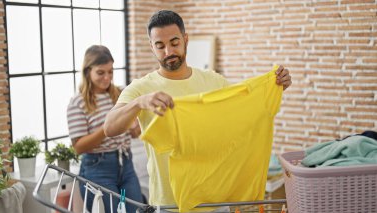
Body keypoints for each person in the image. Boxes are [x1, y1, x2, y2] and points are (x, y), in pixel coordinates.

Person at [103, 10, 292, 211]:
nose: (168, 51)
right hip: (169, 204)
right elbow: (109, 127)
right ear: (152, 47)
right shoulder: (141, 88)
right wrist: (139, 103)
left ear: (185, 39)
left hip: (216, 201)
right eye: (160, 46)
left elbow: (244, 110)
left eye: (174, 43)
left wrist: (275, 86)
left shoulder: (213, 81)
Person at [67, 45, 143, 213]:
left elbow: (136, 134)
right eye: (101, 72)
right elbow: (79, 147)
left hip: (126, 164)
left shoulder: (121, 95)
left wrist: (134, 127)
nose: (107, 77)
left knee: (137, 210)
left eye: (110, 72)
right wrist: (110, 126)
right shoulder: (78, 103)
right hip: (98, 169)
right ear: (88, 71)